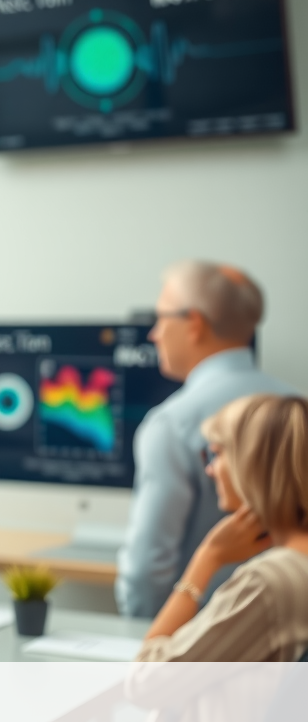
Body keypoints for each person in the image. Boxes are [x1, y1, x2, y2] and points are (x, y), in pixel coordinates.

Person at [116, 261, 296, 618]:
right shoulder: (298, 409)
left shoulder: (173, 423)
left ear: (193, 323)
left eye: (161, 318)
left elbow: (146, 571)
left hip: (197, 645)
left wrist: (147, 644)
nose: (154, 333)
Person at [135, 394, 308, 660]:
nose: (210, 470)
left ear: (253, 463)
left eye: (216, 453)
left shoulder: (267, 582)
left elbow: (146, 678)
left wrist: (208, 557)